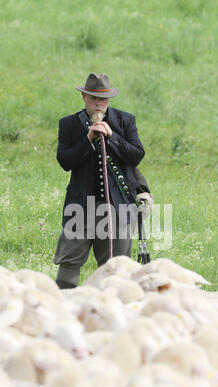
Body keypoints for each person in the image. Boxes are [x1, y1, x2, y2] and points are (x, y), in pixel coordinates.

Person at [54, 72, 145, 289]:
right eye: (94, 98)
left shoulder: (125, 121)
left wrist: (112, 137)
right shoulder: (68, 124)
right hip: (80, 206)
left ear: (109, 100)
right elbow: (65, 161)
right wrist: (88, 139)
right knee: (69, 262)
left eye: (103, 99)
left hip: (118, 206)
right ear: (85, 97)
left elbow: (136, 155)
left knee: (117, 268)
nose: (98, 103)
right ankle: (64, 306)